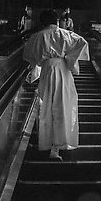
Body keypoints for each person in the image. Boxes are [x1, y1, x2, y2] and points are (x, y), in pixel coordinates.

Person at [22, 9, 90, 160]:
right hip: (63, 71)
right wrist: (70, 60)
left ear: (42, 22)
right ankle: (59, 144)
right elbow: (82, 43)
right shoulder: (65, 34)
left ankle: (47, 142)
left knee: (47, 106)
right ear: (57, 21)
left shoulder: (36, 37)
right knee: (63, 105)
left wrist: (37, 64)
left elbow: (28, 56)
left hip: (46, 72)